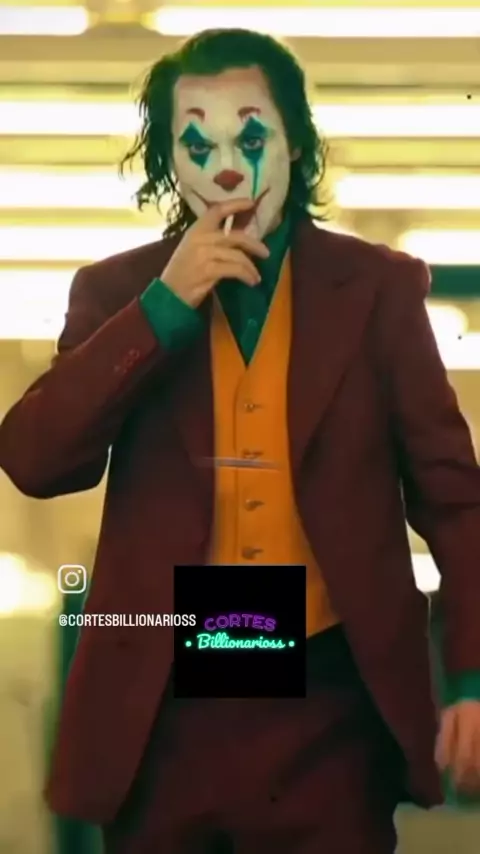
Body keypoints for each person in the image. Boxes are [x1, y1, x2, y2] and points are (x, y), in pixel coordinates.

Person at [1, 26, 480, 854]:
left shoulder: (377, 289)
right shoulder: (116, 292)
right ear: (169, 162)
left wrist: (473, 673)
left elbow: (456, 500)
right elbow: (36, 460)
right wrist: (162, 310)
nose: (226, 168)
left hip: (329, 706)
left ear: (295, 142)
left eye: (250, 139)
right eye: (198, 145)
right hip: (162, 713)